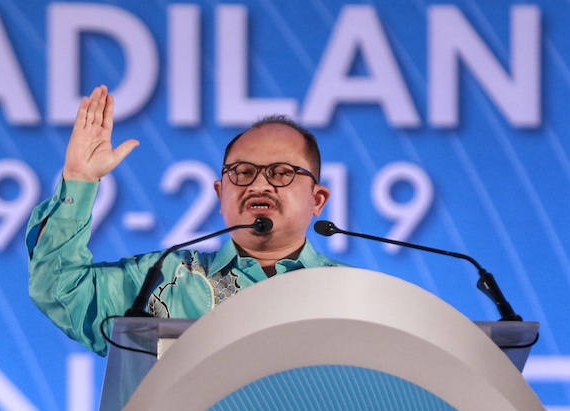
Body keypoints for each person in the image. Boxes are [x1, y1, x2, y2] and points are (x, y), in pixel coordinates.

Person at [26, 85, 342, 356]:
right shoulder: (160, 278)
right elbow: (60, 290)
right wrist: (79, 180)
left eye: (281, 173)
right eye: (243, 172)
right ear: (221, 195)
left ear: (317, 200)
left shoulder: (354, 292)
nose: (259, 185)